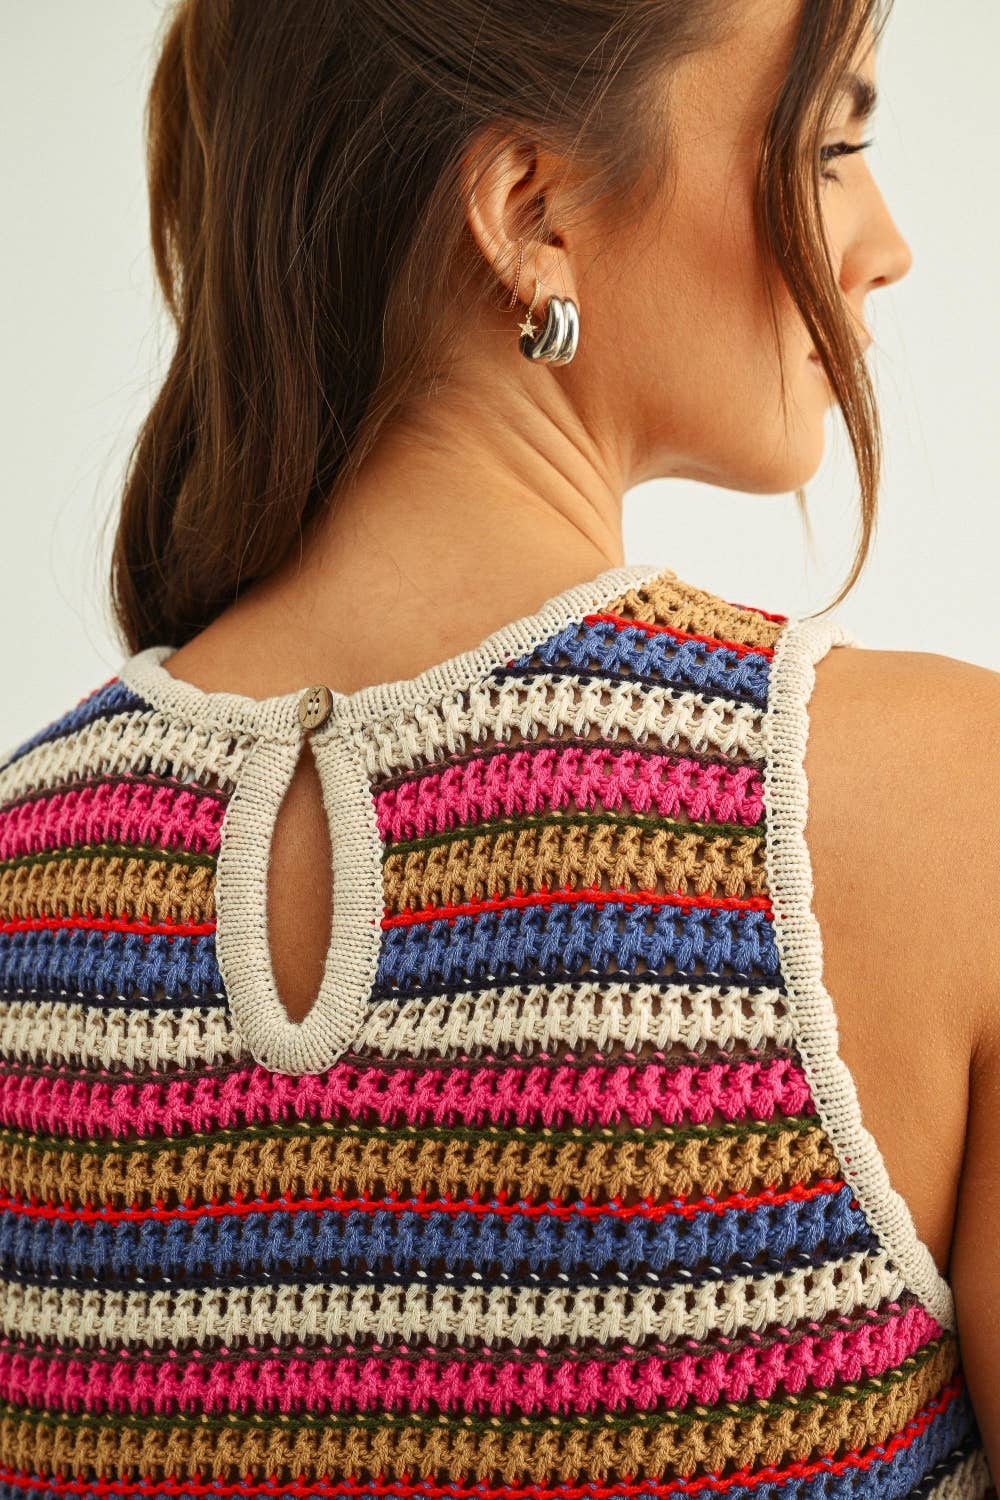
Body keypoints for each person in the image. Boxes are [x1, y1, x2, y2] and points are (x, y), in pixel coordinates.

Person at [1, 0, 997, 1492]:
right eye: (834, 142)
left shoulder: (24, 855)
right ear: (532, 212)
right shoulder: (941, 806)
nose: (885, 239)